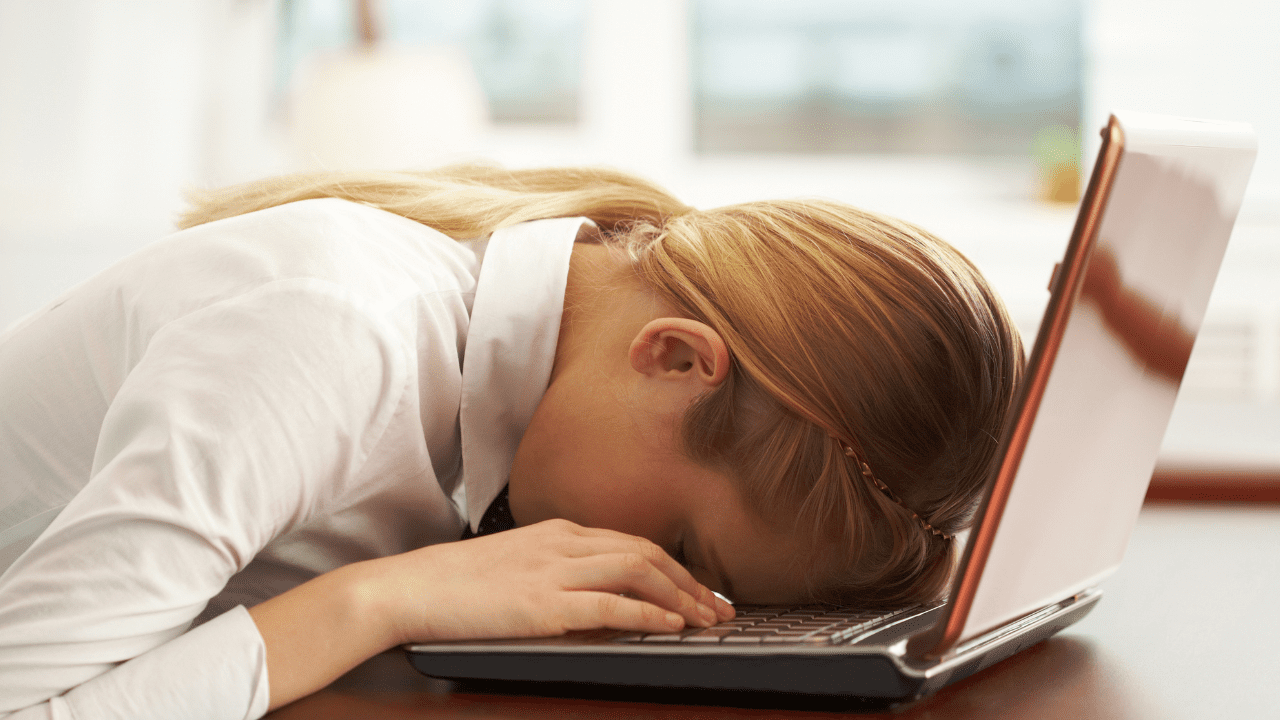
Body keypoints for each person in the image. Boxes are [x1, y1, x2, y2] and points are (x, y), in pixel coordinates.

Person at [0, 165, 1023, 718]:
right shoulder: (328, 336)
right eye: (686, 544)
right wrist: (385, 597)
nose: (657, 579)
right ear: (672, 359)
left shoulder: (501, 341)